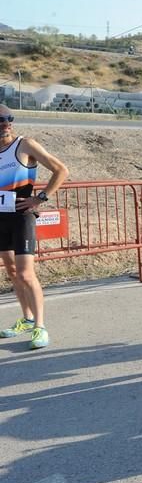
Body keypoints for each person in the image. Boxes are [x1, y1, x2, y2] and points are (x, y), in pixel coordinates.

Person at [0, 105, 69, 349]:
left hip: (22, 216)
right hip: (1, 218)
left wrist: (40, 198)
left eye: (9, 119)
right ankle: (27, 319)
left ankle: (40, 326)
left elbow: (61, 170)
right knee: (12, 272)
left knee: (26, 273)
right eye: (1, 120)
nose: (5, 123)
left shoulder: (24, 144)